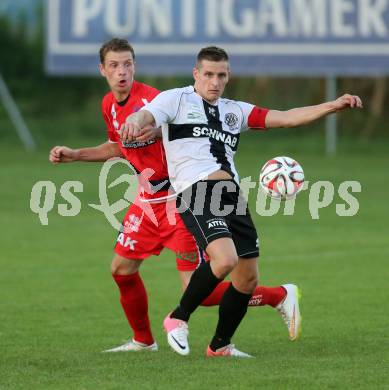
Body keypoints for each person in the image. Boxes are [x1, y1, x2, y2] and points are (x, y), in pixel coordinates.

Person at [49, 39, 301, 353]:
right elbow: (120, 147)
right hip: (146, 202)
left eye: (127, 64)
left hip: (179, 198)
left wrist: (149, 125)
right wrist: (76, 154)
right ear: (103, 70)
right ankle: (143, 341)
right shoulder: (109, 105)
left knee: (201, 291)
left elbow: (172, 128)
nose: (121, 71)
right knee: (122, 268)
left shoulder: (155, 99)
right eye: (114, 65)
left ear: (135, 66)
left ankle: (277, 295)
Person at [120, 46, 363, 357]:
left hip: (232, 196)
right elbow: (147, 114)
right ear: (196, 74)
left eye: (221, 75)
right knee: (224, 260)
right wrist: (135, 121)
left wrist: (332, 105)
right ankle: (178, 317)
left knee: (247, 279)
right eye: (208, 74)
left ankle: (220, 346)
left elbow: (286, 118)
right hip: (195, 191)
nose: (215, 81)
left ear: (228, 76)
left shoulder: (235, 111)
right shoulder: (176, 99)